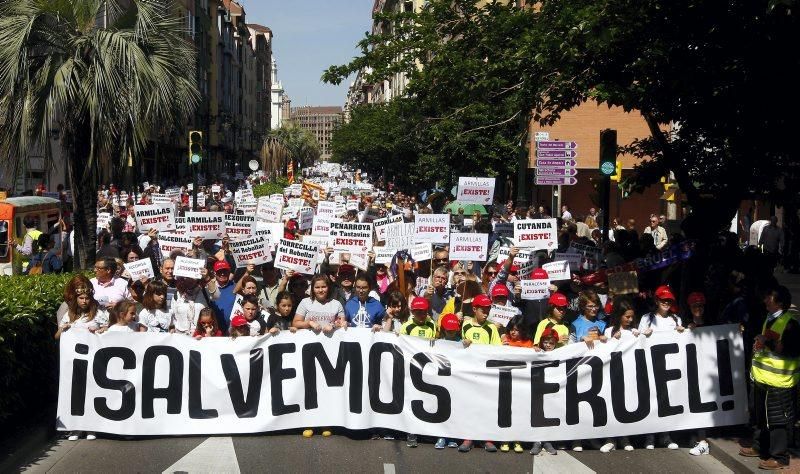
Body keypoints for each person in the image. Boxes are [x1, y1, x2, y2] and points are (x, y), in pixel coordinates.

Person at [739, 285, 800, 470]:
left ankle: (779, 457)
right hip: (762, 378)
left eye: (770, 298)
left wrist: (768, 342)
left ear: (780, 302)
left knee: (777, 420)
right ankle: (759, 447)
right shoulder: (769, 318)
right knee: (760, 416)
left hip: (780, 381)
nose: (766, 300)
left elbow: (791, 350)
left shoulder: (791, 324)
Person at [292, 275, 345, 439]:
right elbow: (296, 322)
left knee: (326, 387)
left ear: (328, 287)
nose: (321, 290)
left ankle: (325, 422)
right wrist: (309, 323)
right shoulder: (305, 303)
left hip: (331, 353)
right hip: (309, 352)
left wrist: (335, 324)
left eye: (323, 287)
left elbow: (344, 323)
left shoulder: (336, 304)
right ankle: (309, 422)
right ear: (312, 289)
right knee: (310, 385)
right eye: (317, 287)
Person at [639, 286, 682, 450]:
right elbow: (638, 342)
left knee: (667, 401)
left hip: (670, 368)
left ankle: (665, 436)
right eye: (663, 300)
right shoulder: (647, 318)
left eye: (669, 300)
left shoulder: (676, 319)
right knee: (652, 401)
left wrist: (682, 332)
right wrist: (644, 334)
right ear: (656, 301)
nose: (666, 303)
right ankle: (650, 436)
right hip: (651, 366)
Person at [459, 294, 500, 453]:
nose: (486, 312)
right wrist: (464, 344)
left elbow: (497, 351)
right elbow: (460, 347)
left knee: (486, 406)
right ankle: (468, 437)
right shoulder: (466, 326)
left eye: (488, 309)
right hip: (469, 373)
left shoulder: (491, 328)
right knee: (470, 405)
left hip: (486, 374)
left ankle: (487, 438)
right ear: (475, 309)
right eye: (483, 309)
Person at [598, 298, 638, 453]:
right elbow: (603, 351)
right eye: (627, 316)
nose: (630, 319)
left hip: (629, 374)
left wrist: (644, 335)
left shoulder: (634, 332)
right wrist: (607, 340)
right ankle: (610, 439)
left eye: (631, 317)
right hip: (612, 375)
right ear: (619, 315)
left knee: (626, 405)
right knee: (612, 405)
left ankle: (624, 438)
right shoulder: (609, 331)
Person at [529, 326, 560, 456]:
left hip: (552, 390)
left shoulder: (561, 353)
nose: (548, 345)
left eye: (551, 343)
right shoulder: (536, 351)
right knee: (537, 413)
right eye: (545, 342)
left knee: (549, 412)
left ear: (555, 344)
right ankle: (537, 441)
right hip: (537, 389)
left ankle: (547, 441)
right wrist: (533, 350)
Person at [91, 257, 131, 328]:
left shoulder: (122, 283)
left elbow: (132, 304)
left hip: (117, 325)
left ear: (108, 270)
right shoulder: (91, 283)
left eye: (98, 268)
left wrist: (119, 307)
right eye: (95, 267)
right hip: (94, 325)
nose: (94, 270)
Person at [209, 260, 236, 333]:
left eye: (225, 271)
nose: (222, 273)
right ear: (214, 273)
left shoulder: (235, 287)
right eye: (219, 271)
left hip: (232, 332)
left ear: (229, 272)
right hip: (214, 332)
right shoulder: (209, 288)